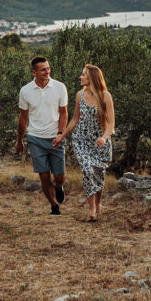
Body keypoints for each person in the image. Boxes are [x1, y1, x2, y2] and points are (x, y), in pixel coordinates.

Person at [16, 56, 69, 215]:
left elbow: (64, 113)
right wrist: (19, 140)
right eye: (43, 69)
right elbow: (23, 117)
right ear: (34, 72)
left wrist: (60, 133)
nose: (47, 71)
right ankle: (53, 205)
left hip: (55, 137)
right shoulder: (25, 91)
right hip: (35, 138)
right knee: (44, 176)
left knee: (59, 177)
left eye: (48, 68)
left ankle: (59, 187)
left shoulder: (59, 87)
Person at [63, 64, 114, 221]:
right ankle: (92, 209)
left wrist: (104, 138)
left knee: (98, 173)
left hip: (99, 141)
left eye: (83, 74)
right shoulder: (80, 95)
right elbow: (75, 118)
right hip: (81, 140)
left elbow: (111, 123)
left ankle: (98, 205)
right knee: (87, 170)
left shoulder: (105, 96)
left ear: (91, 77)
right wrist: (62, 134)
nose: (80, 77)